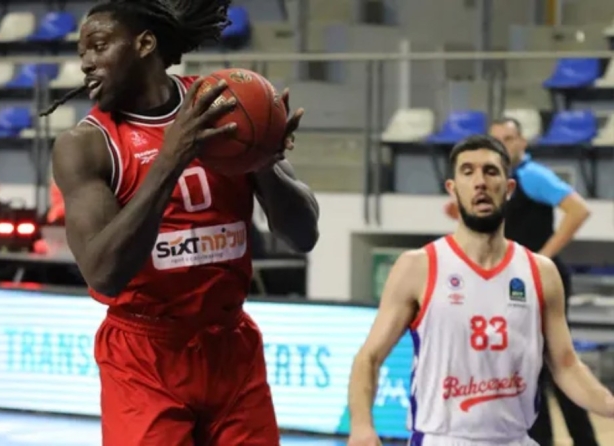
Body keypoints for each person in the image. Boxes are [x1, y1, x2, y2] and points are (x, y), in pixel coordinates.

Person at [47, 0, 319, 444]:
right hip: (144, 356)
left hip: (230, 346)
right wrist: (170, 159)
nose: (87, 63)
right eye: (83, 54)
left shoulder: (223, 106)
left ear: (145, 44)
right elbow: (103, 273)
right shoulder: (86, 145)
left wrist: (265, 162)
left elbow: (304, 236)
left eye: (98, 46)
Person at [347, 135, 613, 446]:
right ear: (452, 189)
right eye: (468, 171)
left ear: (509, 188)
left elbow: (566, 366)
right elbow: (368, 358)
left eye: (490, 171)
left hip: (515, 439)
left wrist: (610, 405)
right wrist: (362, 426)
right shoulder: (418, 266)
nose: (480, 182)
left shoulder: (541, 272)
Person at [448, 118, 596, 446]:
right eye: (496, 138)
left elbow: (578, 210)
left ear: (522, 143)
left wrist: (543, 256)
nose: (503, 143)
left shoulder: (532, 176)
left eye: (509, 138)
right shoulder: (493, 182)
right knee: (524, 365)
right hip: (511, 279)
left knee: (555, 362)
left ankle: (583, 440)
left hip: (539, 279)